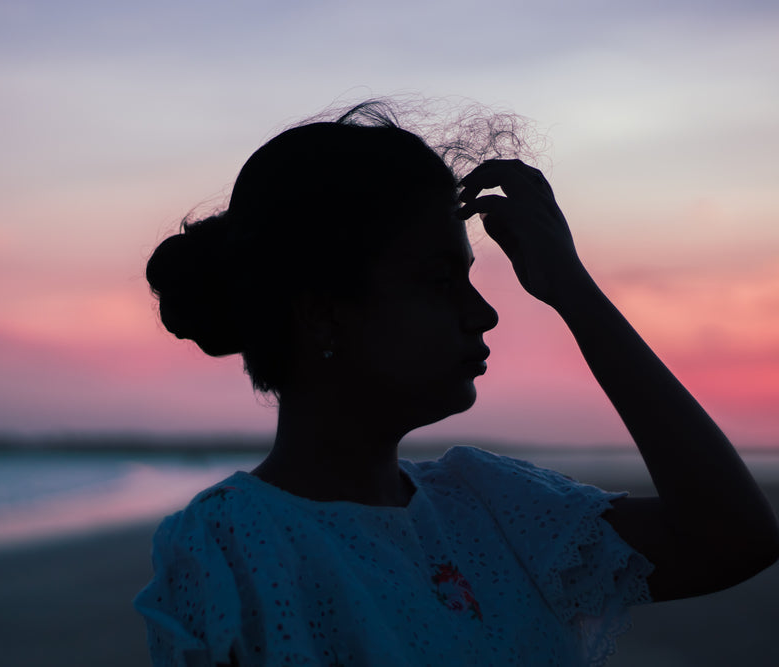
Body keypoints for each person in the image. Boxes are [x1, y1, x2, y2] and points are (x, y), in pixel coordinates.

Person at [133, 101, 779, 666]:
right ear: (323, 311)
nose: (484, 313)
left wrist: (571, 286)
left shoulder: (491, 503)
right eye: (441, 280)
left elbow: (733, 537)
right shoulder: (233, 547)